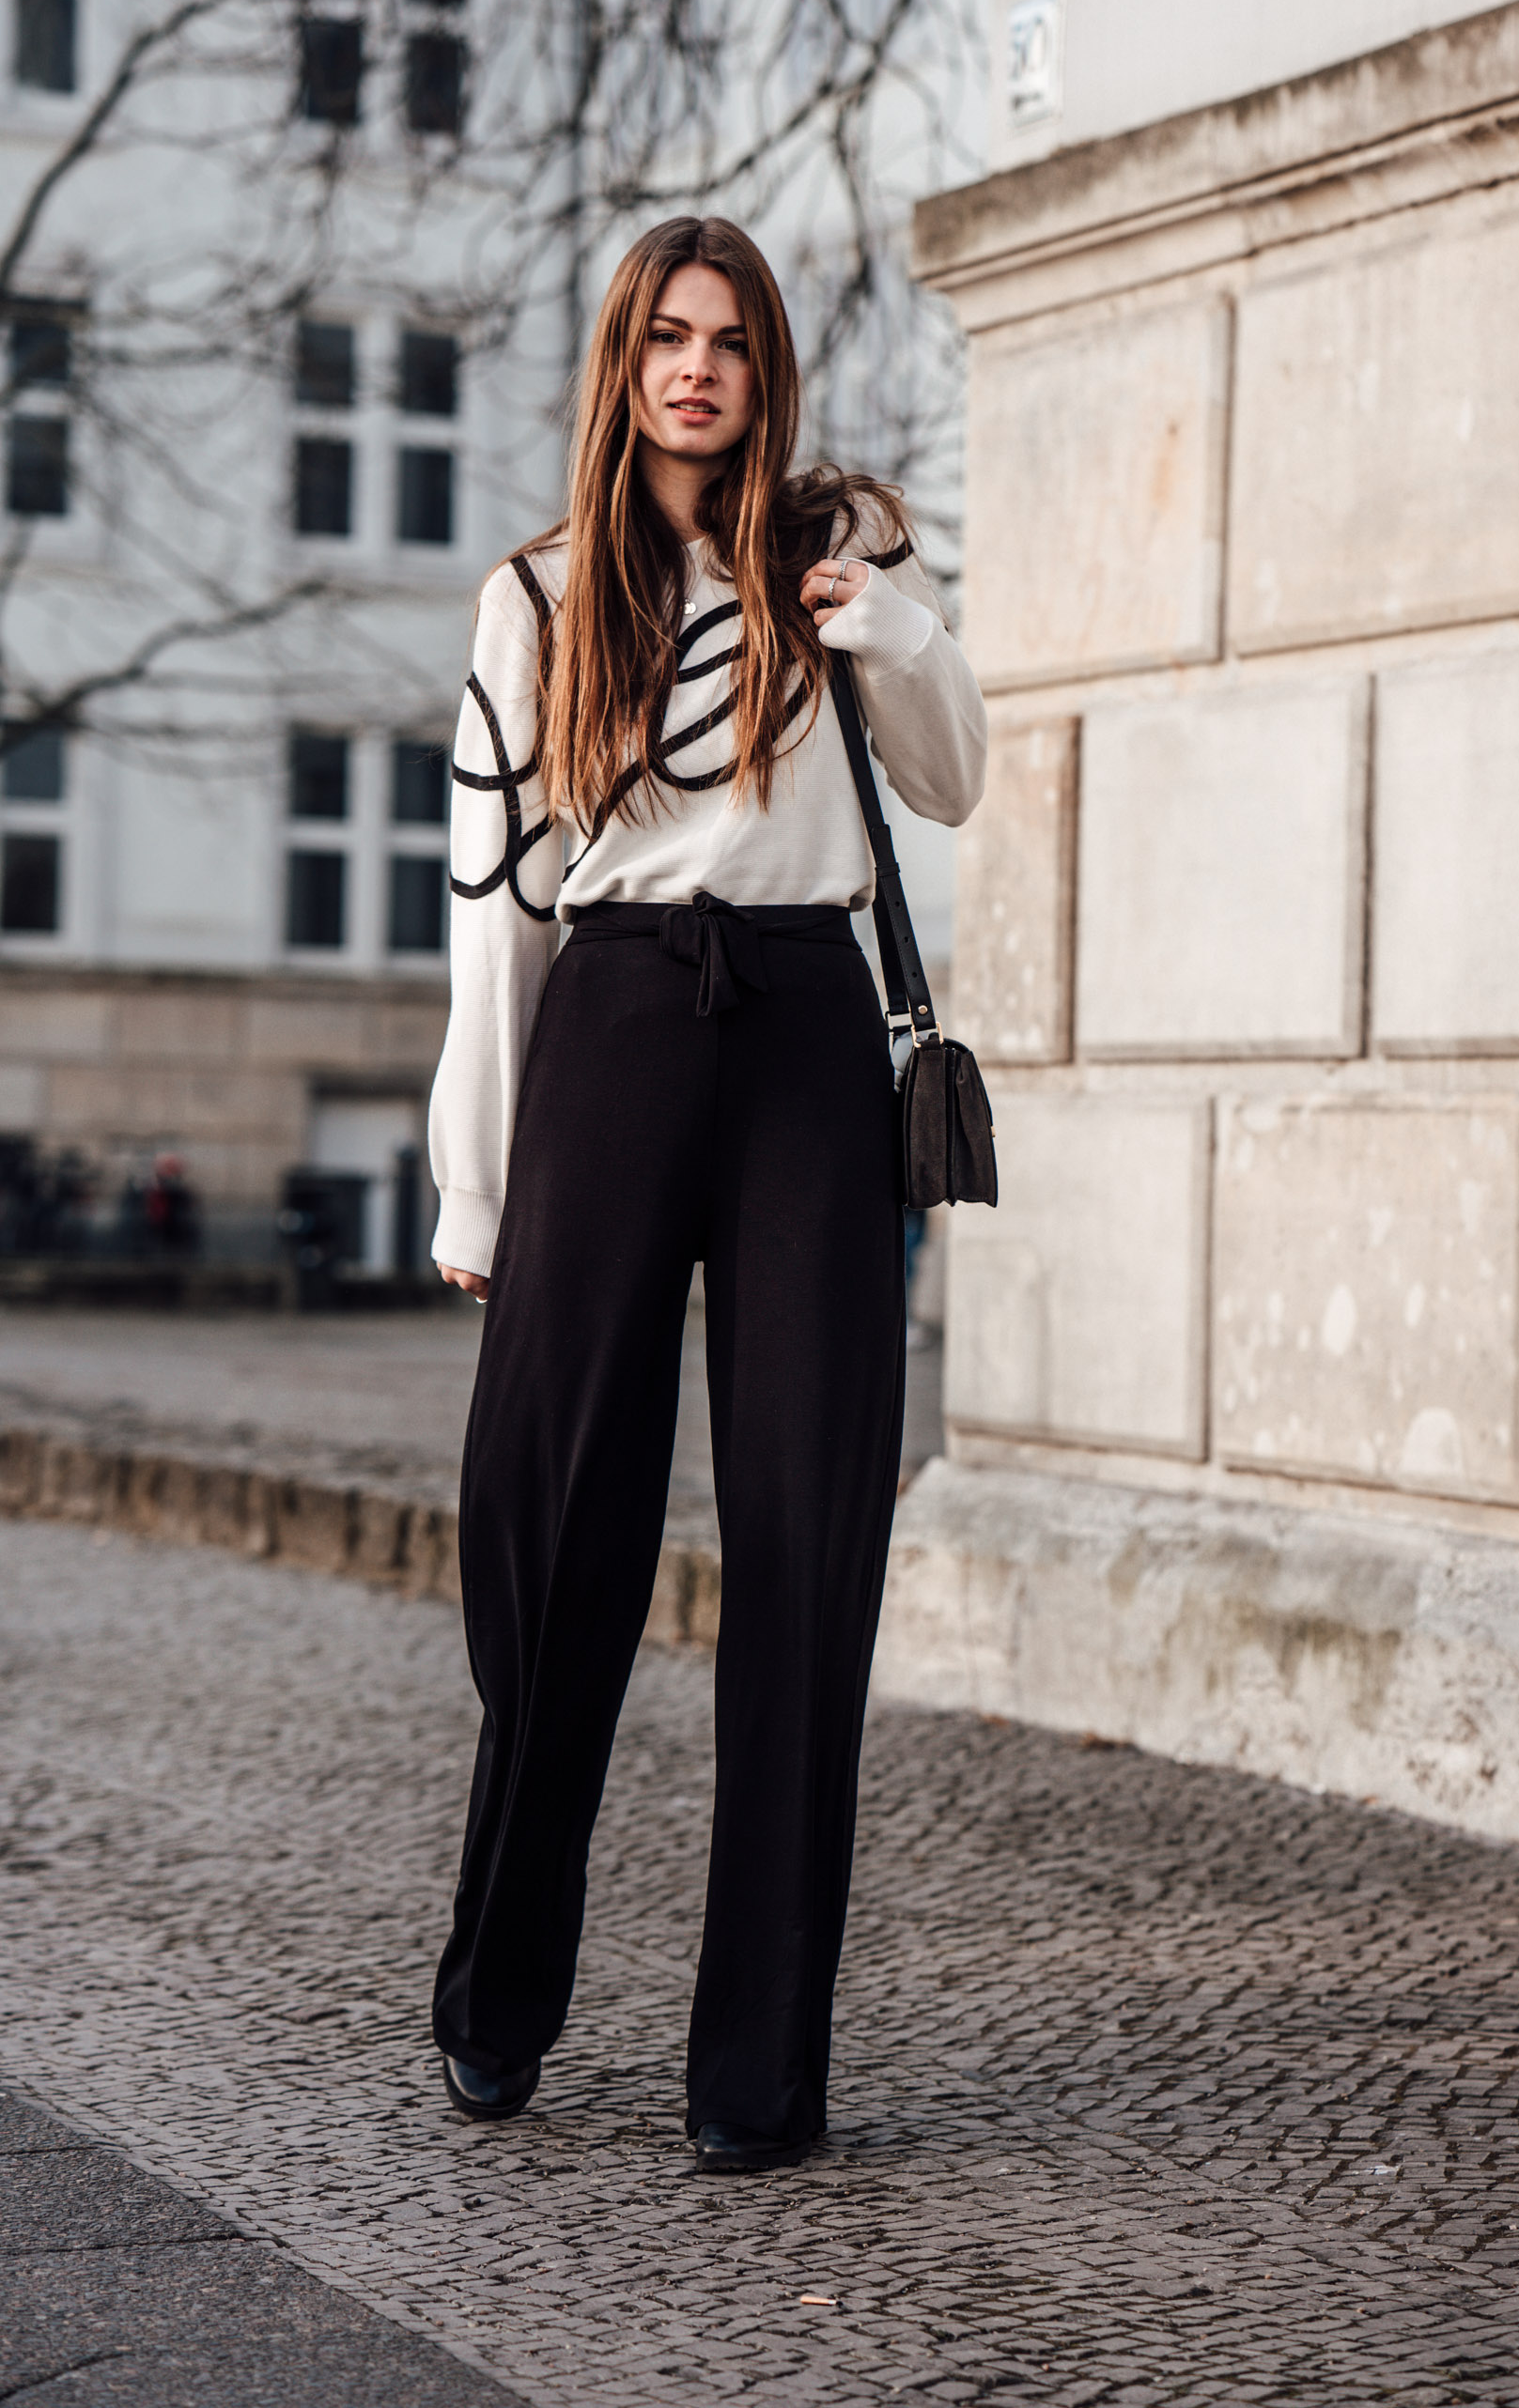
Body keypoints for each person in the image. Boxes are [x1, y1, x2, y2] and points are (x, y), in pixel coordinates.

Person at [426, 215, 986, 2173]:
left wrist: (887, 623)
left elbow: (957, 777)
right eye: (666, 337)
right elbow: (496, 912)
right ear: (623, 362)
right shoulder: (540, 592)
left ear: (767, 370)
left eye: (728, 339)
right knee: (551, 1516)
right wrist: (473, 1177)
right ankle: (503, 1971)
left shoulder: (850, 552)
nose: (696, 369)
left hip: (810, 1038)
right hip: (612, 1023)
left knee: (808, 1539)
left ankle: (759, 2067)